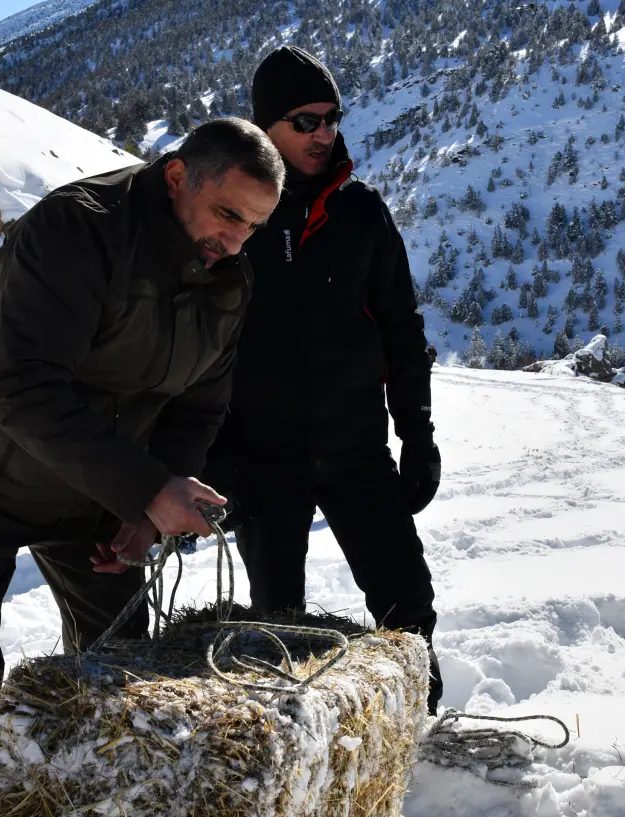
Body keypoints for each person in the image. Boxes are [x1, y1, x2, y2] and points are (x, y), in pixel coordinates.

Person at [0, 117, 284, 796]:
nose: (234, 240)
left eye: (252, 226)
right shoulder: (75, 230)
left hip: (89, 484)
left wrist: (142, 511)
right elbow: (23, 390)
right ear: (177, 177)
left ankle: (91, 794)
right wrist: (145, 485)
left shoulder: (229, 280)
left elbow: (197, 405)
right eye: (227, 213)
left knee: (120, 656)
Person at [203, 47, 444, 714]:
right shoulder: (233, 219)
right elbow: (197, 347)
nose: (325, 134)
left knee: (408, 610)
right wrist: (213, 454)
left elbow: (402, 331)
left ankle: (416, 734)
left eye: (332, 118)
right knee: (279, 625)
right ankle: (290, 765)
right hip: (262, 459)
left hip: (354, 449)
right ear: (266, 127)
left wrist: (417, 436)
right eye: (306, 120)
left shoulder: (361, 213)